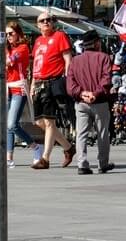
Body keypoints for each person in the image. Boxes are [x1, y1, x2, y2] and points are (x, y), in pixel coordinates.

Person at [29, 13, 75, 169]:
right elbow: (36, 64)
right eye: (42, 20)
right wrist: (32, 84)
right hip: (39, 83)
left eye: (49, 19)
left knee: (49, 122)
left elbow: (68, 58)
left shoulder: (59, 36)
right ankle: (68, 147)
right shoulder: (38, 41)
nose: (46, 22)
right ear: (38, 25)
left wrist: (68, 79)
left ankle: (45, 158)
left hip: (52, 82)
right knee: (39, 122)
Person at [65, 30, 113, 175]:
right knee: (102, 133)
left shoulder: (75, 61)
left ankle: (82, 164)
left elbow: (70, 84)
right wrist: (95, 94)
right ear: (97, 43)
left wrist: (81, 93)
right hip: (100, 102)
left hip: (81, 103)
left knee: (81, 134)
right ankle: (102, 163)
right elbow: (106, 80)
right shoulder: (104, 58)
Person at [4, 20, 34, 168]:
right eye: (6, 34)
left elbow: (9, 62)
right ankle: (9, 158)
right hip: (8, 88)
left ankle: (34, 146)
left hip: (19, 89)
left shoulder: (22, 48)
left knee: (12, 124)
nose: (9, 36)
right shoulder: (8, 48)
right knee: (8, 126)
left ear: (18, 34)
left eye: (11, 33)